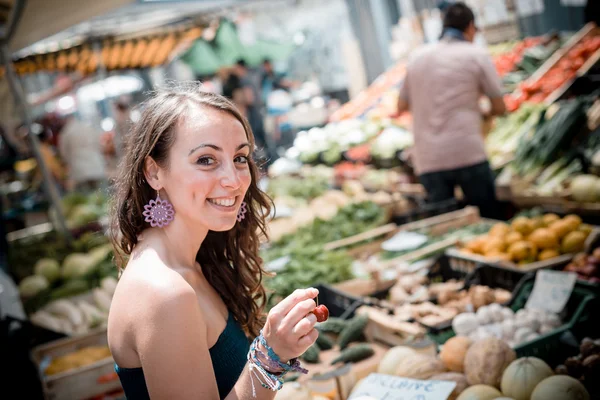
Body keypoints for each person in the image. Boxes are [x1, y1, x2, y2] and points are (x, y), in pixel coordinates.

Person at [107, 86, 319, 399]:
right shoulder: (164, 293)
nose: (234, 180)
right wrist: (270, 355)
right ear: (154, 173)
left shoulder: (192, 258)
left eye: (240, 158)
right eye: (206, 159)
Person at [396, 2, 506, 219]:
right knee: (488, 222)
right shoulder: (475, 54)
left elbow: (401, 105)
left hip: (429, 159)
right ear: (471, 27)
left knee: (445, 226)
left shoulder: (417, 57)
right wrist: (481, 113)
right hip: (467, 152)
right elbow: (500, 107)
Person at [58, 114, 106, 192]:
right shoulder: (87, 127)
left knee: (88, 198)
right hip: (96, 165)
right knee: (102, 193)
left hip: (79, 170)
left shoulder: (65, 133)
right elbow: (98, 143)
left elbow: (64, 154)